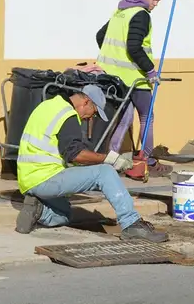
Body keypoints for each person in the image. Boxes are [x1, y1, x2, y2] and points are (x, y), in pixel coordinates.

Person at [14, 84, 168, 242]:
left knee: (63, 215)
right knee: (105, 172)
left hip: (28, 180)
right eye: (93, 113)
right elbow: (74, 154)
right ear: (86, 102)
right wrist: (109, 159)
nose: (90, 118)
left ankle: (39, 210)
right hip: (45, 178)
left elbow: (60, 150)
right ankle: (132, 224)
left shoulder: (47, 105)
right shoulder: (68, 114)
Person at [96, 0, 173, 179]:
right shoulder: (141, 14)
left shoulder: (121, 11)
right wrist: (150, 71)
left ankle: (112, 158)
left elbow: (100, 36)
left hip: (111, 77)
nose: (155, 5)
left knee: (125, 118)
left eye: (158, 1)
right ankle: (148, 160)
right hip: (133, 77)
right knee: (147, 116)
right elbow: (134, 47)